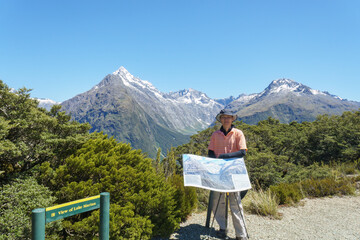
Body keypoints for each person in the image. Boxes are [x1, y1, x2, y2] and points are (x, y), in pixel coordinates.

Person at [208, 109, 249, 240]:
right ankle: (222, 228)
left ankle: (241, 234)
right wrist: (213, 162)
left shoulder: (238, 133)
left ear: (232, 119)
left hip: (234, 173)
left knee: (235, 203)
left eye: (229, 118)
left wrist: (225, 156)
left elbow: (242, 152)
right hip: (219, 172)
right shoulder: (215, 135)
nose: (226, 120)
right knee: (218, 201)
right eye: (224, 117)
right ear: (220, 119)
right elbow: (210, 152)